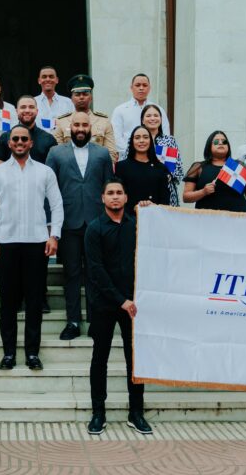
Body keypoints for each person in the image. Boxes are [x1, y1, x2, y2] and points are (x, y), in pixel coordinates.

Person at [0, 125, 64, 371]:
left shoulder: (45, 172)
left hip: (37, 243)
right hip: (5, 243)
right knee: (7, 301)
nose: (19, 142)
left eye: (23, 139)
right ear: (9, 143)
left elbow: (57, 206)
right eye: (15, 138)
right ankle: (8, 353)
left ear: (30, 143)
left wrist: (54, 236)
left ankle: (32, 353)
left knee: (34, 301)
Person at [84, 179, 152, 436]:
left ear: (126, 198)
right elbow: (96, 270)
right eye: (110, 193)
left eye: (119, 193)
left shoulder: (136, 227)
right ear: (103, 198)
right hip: (104, 303)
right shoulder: (94, 229)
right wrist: (119, 300)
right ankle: (98, 413)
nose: (114, 197)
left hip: (133, 305)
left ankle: (136, 413)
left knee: (134, 360)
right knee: (99, 359)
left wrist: (150, 209)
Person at [46, 111, 115, 340]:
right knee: (72, 273)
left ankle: (96, 321)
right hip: (68, 221)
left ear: (91, 128)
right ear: (69, 127)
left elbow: (109, 188)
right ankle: (73, 321)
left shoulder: (102, 154)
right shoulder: (56, 153)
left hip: (96, 222)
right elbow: (48, 190)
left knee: (96, 273)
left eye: (85, 125)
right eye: (76, 125)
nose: (80, 128)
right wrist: (50, 224)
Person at [182, 131, 246, 213]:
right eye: (216, 142)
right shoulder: (198, 167)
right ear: (209, 146)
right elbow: (186, 197)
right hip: (207, 220)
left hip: (239, 220)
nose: (220, 143)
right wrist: (203, 192)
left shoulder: (239, 166)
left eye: (224, 141)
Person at [53, 74, 118, 163]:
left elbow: (111, 153)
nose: (81, 97)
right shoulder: (62, 122)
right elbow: (57, 153)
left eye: (85, 94)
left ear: (91, 97)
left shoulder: (104, 121)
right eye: (77, 94)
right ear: (71, 98)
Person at [111, 74, 170, 159]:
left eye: (145, 85)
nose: (141, 88)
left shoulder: (158, 110)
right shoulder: (120, 110)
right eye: (138, 85)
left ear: (149, 88)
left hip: (156, 158)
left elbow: (165, 134)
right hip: (128, 158)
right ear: (131, 87)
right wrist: (132, 153)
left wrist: (156, 155)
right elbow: (116, 137)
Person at [115, 126, 172, 213]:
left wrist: (154, 207)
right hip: (128, 219)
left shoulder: (161, 168)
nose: (141, 141)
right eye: (137, 138)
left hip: (155, 218)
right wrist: (135, 207)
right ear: (132, 142)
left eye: (145, 137)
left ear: (150, 141)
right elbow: (118, 196)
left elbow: (165, 200)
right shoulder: (121, 166)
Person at [0, 96, 57, 165]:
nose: (27, 110)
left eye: (31, 107)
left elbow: (52, 169)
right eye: (23, 107)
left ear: (37, 111)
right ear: (16, 111)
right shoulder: (4, 138)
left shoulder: (49, 139)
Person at [140, 103, 184, 206]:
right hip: (142, 186)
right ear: (142, 120)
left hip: (166, 189)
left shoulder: (169, 141)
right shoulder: (136, 139)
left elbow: (178, 169)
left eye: (156, 115)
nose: (152, 118)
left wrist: (168, 176)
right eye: (148, 115)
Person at [34, 65, 74, 133]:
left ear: (57, 80)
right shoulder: (32, 103)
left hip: (62, 142)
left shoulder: (68, 102)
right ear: (39, 81)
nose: (48, 79)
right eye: (44, 77)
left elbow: (73, 126)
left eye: (51, 76)